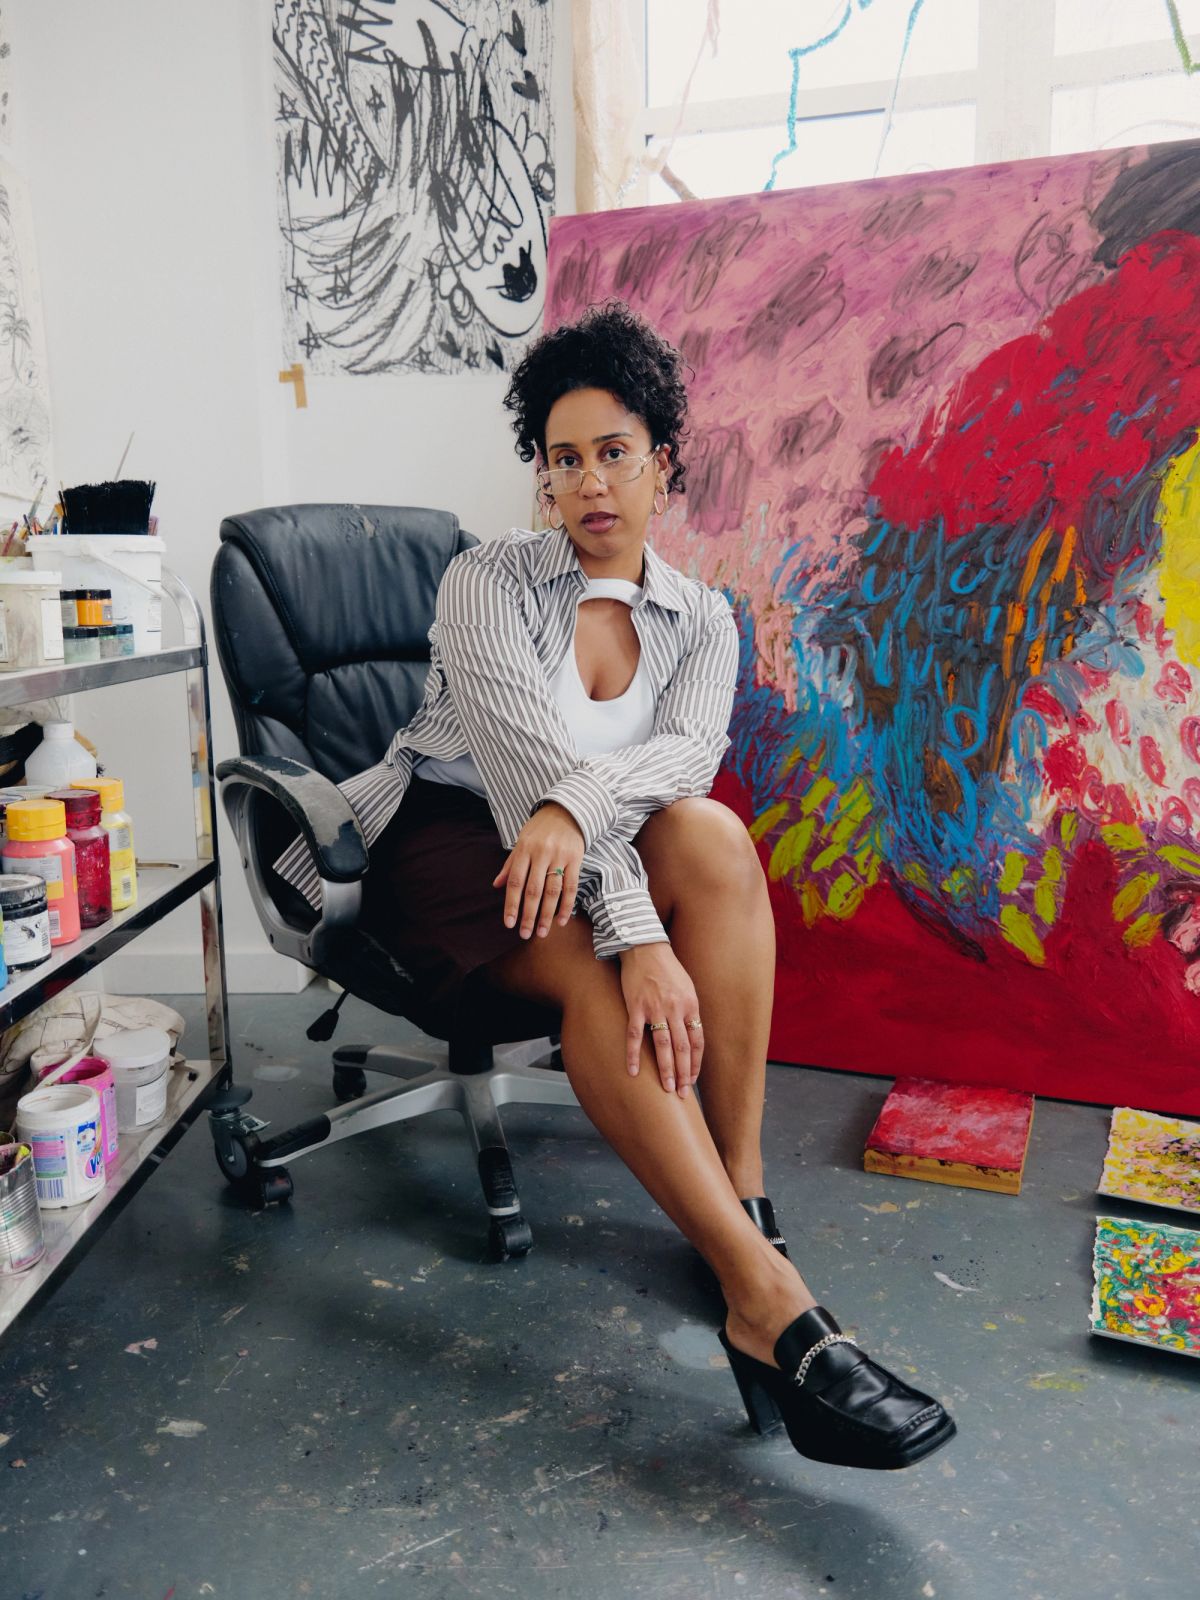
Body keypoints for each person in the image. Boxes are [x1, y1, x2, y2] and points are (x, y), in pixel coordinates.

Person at [276, 301, 955, 1471]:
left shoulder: (703, 619)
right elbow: (524, 763)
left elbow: (681, 760)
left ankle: (736, 1202)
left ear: (663, 464)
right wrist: (637, 932)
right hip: (446, 835)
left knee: (716, 838)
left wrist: (591, 812)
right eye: (563, 459)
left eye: (615, 454)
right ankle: (772, 1308)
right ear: (542, 477)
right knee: (603, 975)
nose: (590, 484)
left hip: (571, 835)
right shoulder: (485, 581)